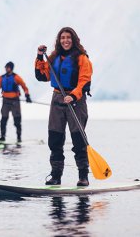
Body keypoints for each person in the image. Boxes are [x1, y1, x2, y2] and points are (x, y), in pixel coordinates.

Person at [35, 27, 93, 186]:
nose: (65, 40)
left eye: (68, 37)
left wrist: (73, 95)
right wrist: (40, 56)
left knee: (78, 140)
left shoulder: (81, 58)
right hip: (57, 99)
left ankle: (83, 176)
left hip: (76, 100)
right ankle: (56, 176)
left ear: (73, 39)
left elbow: (85, 81)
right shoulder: (53, 58)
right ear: (59, 40)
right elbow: (42, 76)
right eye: (62, 38)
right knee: (55, 139)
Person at [0, 62, 32, 143]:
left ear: (11, 68)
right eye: (6, 67)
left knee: (17, 120)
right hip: (5, 101)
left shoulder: (16, 77)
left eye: (8, 67)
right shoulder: (1, 78)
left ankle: (19, 137)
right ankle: (2, 137)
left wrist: (27, 96)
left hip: (15, 101)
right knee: (3, 119)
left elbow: (24, 86)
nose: (6, 68)